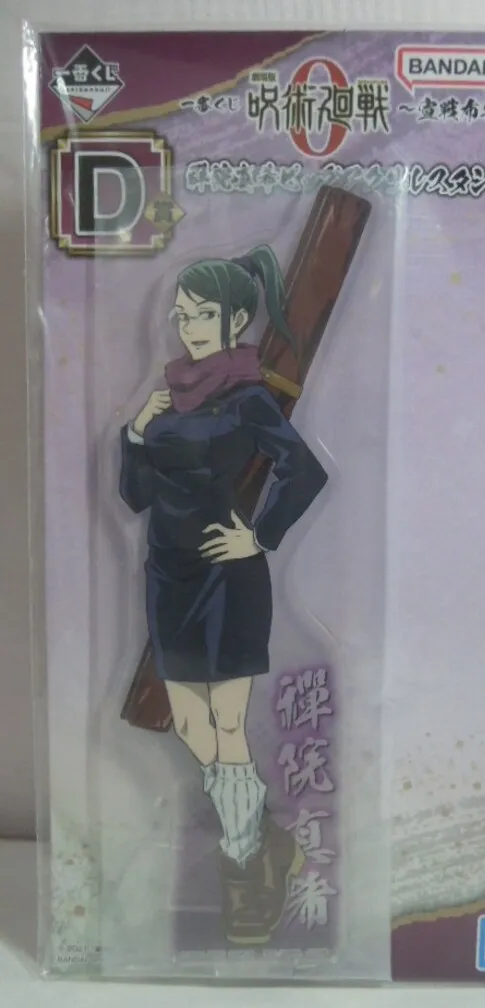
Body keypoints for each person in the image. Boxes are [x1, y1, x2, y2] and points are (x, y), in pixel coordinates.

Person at [119, 245, 328, 944]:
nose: (189, 327)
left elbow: (304, 470)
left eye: (203, 315)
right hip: (167, 572)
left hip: (227, 576)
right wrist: (136, 434)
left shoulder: (248, 399)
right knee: (190, 724)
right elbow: (136, 496)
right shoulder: (168, 398)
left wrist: (259, 537)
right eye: (182, 315)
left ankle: (244, 867)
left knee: (229, 726)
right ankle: (265, 835)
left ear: (238, 319)